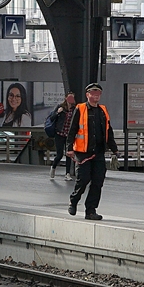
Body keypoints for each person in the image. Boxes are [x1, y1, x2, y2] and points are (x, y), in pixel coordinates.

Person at [67, 82, 118, 220]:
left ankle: (91, 210)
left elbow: (109, 131)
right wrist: (69, 148)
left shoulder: (103, 111)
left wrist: (114, 149)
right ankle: (74, 201)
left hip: (99, 153)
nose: (96, 95)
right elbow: (72, 130)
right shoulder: (80, 109)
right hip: (83, 153)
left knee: (97, 182)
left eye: (98, 93)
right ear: (87, 95)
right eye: (93, 93)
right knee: (83, 180)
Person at [49, 92, 77, 180]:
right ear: (65, 98)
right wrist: (57, 112)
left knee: (69, 154)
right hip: (60, 134)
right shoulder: (60, 107)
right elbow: (51, 118)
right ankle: (53, 167)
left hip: (69, 135)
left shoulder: (75, 109)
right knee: (59, 154)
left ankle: (67, 173)